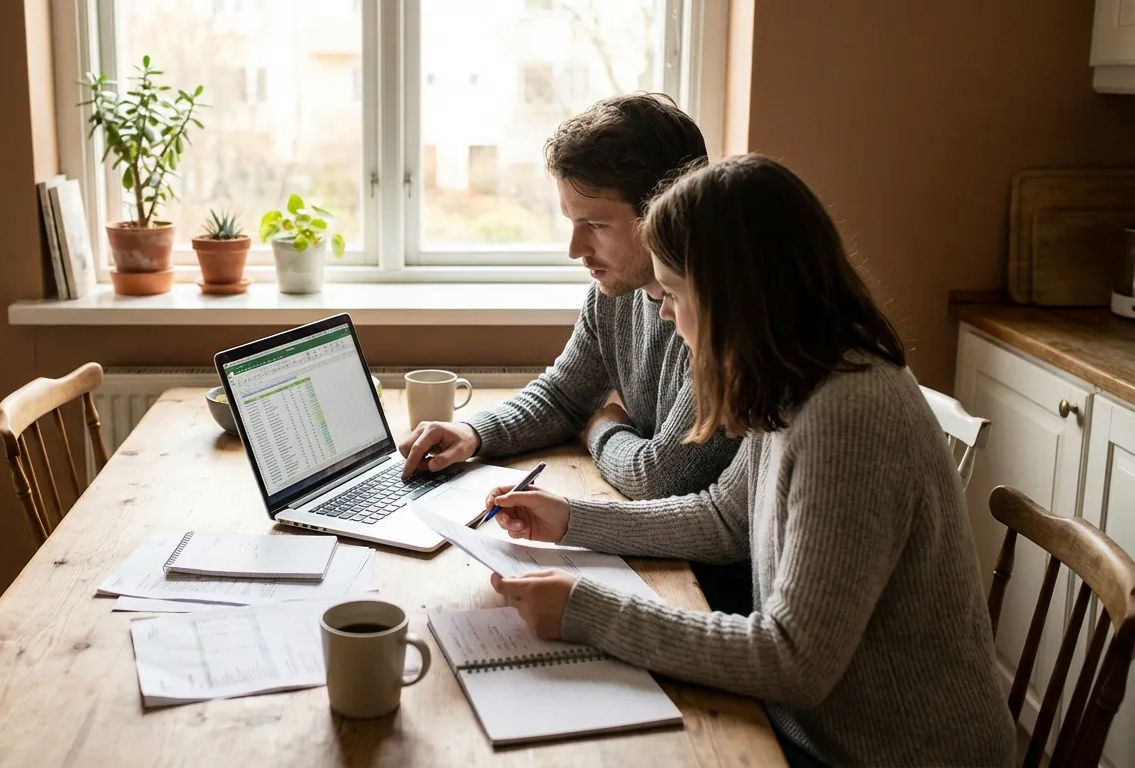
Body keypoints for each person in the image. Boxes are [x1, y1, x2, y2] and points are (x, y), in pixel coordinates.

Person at [480, 155, 1015, 766]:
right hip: (813, 729)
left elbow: (793, 661)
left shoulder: (850, 411)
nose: (662, 312)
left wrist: (588, 610)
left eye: (674, 293)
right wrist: (571, 519)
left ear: (734, 296)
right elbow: (724, 517)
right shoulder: (796, 377)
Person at [396, 93, 748, 611]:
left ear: (667, 211)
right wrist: (474, 433)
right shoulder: (617, 294)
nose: (575, 249)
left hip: (710, 587)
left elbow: (660, 478)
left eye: (596, 225)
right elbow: (564, 395)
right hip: (656, 556)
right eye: (571, 221)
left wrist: (600, 428)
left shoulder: (720, 318)